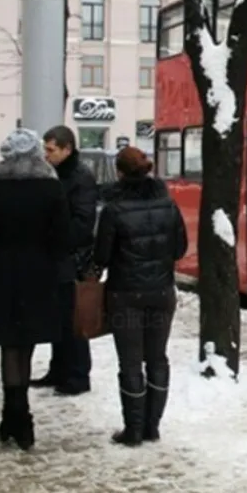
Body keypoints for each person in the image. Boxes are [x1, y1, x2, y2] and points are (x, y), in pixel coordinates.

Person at [0, 128, 71, 451]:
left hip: (3, 275)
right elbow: (63, 239)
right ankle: (21, 419)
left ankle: (12, 416)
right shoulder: (51, 188)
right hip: (38, 276)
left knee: (8, 346)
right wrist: (50, 266)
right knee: (25, 345)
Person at [93, 146, 187, 446]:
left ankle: (133, 429)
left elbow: (102, 256)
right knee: (157, 359)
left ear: (119, 173)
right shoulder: (169, 206)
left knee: (131, 362)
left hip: (125, 295)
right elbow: (180, 249)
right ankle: (153, 426)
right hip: (162, 293)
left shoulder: (114, 210)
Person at [30, 126, 99, 396]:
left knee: (74, 319)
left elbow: (83, 223)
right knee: (58, 317)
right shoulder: (54, 173)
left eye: (51, 150)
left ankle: (78, 375)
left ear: (67, 149)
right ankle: (58, 369)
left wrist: (56, 235)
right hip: (56, 256)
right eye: (44, 149)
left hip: (72, 258)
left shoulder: (80, 177)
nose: (46, 155)